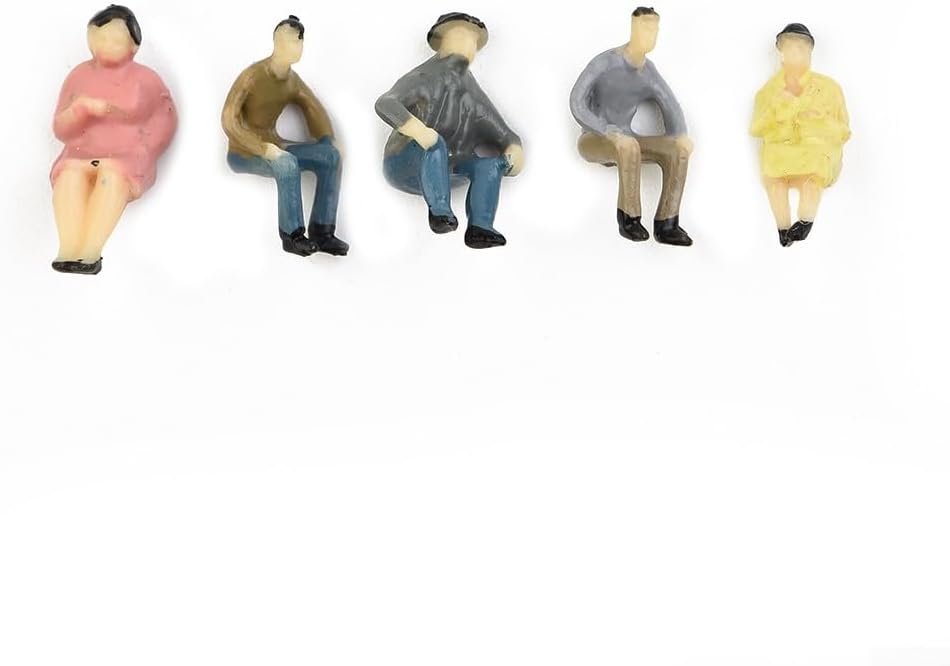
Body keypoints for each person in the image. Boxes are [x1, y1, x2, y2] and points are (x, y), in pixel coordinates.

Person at [376, 12, 524, 250]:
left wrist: (514, 147)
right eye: (460, 36)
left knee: (489, 164)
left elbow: (501, 131)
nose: (468, 45)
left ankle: (480, 227)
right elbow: (386, 104)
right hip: (406, 161)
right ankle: (440, 212)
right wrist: (419, 131)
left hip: (448, 169)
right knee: (436, 143)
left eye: (474, 41)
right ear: (440, 40)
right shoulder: (423, 77)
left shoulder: (471, 92)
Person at [50, 4, 177, 275]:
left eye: (115, 40)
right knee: (69, 176)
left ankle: (90, 251)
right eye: (99, 39)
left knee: (111, 176)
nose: (106, 46)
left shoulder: (146, 79)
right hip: (81, 151)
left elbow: (165, 116)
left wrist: (147, 148)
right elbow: (60, 129)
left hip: (126, 155)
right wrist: (78, 111)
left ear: (134, 46)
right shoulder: (79, 76)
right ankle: (68, 248)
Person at [222, 15, 348, 258]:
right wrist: (262, 148)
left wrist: (326, 139)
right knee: (286, 163)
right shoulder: (252, 76)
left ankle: (323, 230)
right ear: (277, 43)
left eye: (300, 41)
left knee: (330, 157)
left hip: (275, 144)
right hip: (244, 151)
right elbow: (229, 119)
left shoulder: (291, 81)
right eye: (292, 41)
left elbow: (312, 107)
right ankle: (292, 235)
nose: (297, 47)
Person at [570, 6, 694, 247]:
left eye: (655, 29)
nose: (651, 34)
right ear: (633, 27)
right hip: (594, 137)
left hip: (627, 139)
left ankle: (667, 223)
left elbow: (669, 105)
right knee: (628, 146)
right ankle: (629, 218)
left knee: (677, 150)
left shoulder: (648, 72)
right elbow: (577, 102)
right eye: (645, 28)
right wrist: (606, 130)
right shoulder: (606, 63)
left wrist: (680, 135)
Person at [751, 23, 850, 247]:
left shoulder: (829, 89)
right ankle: (783, 228)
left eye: (802, 48)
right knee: (774, 179)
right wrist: (776, 111)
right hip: (779, 154)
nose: (796, 53)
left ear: (810, 52)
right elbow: (756, 128)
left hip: (813, 154)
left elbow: (844, 130)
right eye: (789, 48)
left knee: (811, 176)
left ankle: (806, 220)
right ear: (781, 54)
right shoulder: (768, 92)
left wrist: (819, 121)